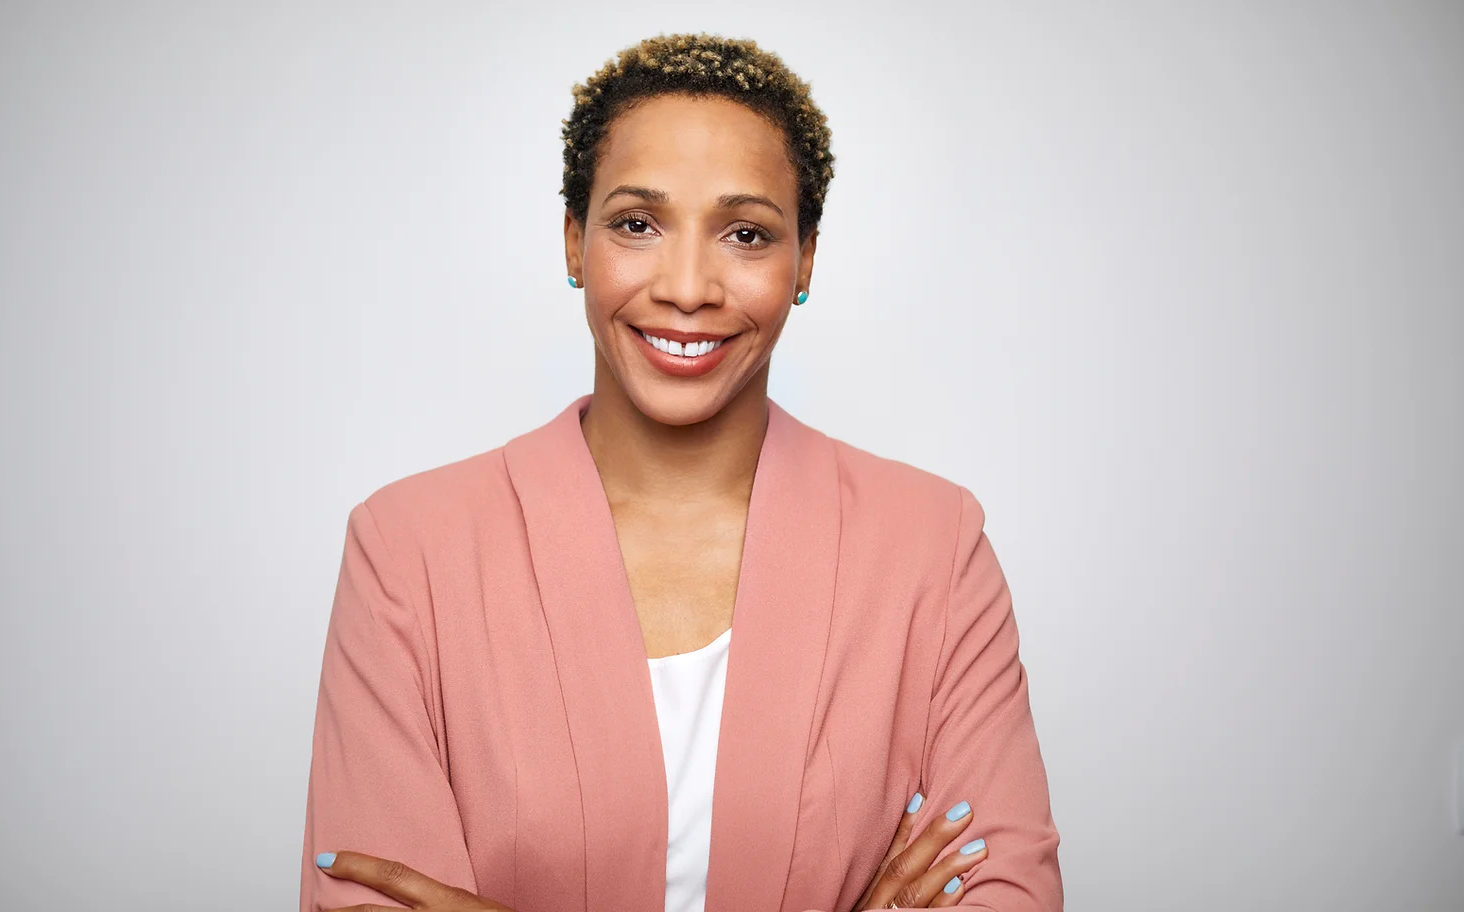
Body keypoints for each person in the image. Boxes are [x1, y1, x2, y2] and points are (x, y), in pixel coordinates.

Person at [300, 33, 1062, 912]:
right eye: (637, 224)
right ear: (574, 242)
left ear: (805, 260)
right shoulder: (407, 551)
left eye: (746, 234)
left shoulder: (933, 547)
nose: (689, 287)